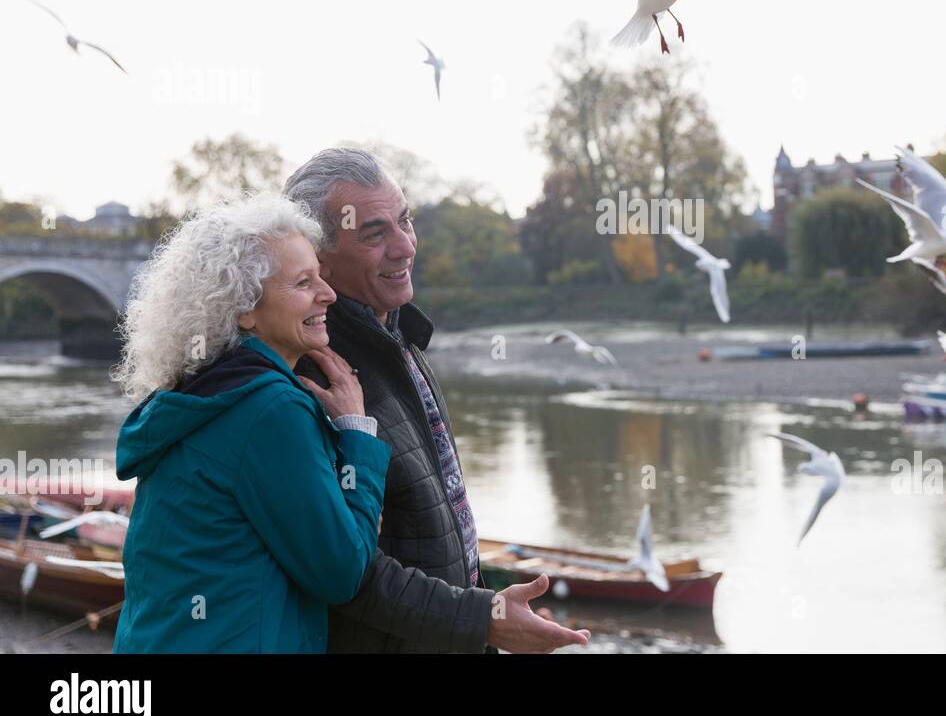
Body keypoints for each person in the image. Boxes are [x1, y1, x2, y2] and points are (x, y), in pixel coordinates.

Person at [284, 148, 589, 653]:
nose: (405, 247)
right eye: (374, 233)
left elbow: (429, 533)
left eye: (405, 221)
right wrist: (485, 621)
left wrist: (486, 615)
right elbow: (345, 572)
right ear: (317, 257)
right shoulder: (313, 374)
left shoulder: (398, 340)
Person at [111, 194, 389, 653]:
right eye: (304, 282)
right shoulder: (269, 411)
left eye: (320, 275)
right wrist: (358, 434)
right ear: (244, 309)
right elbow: (341, 573)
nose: (329, 294)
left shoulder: (195, 390)